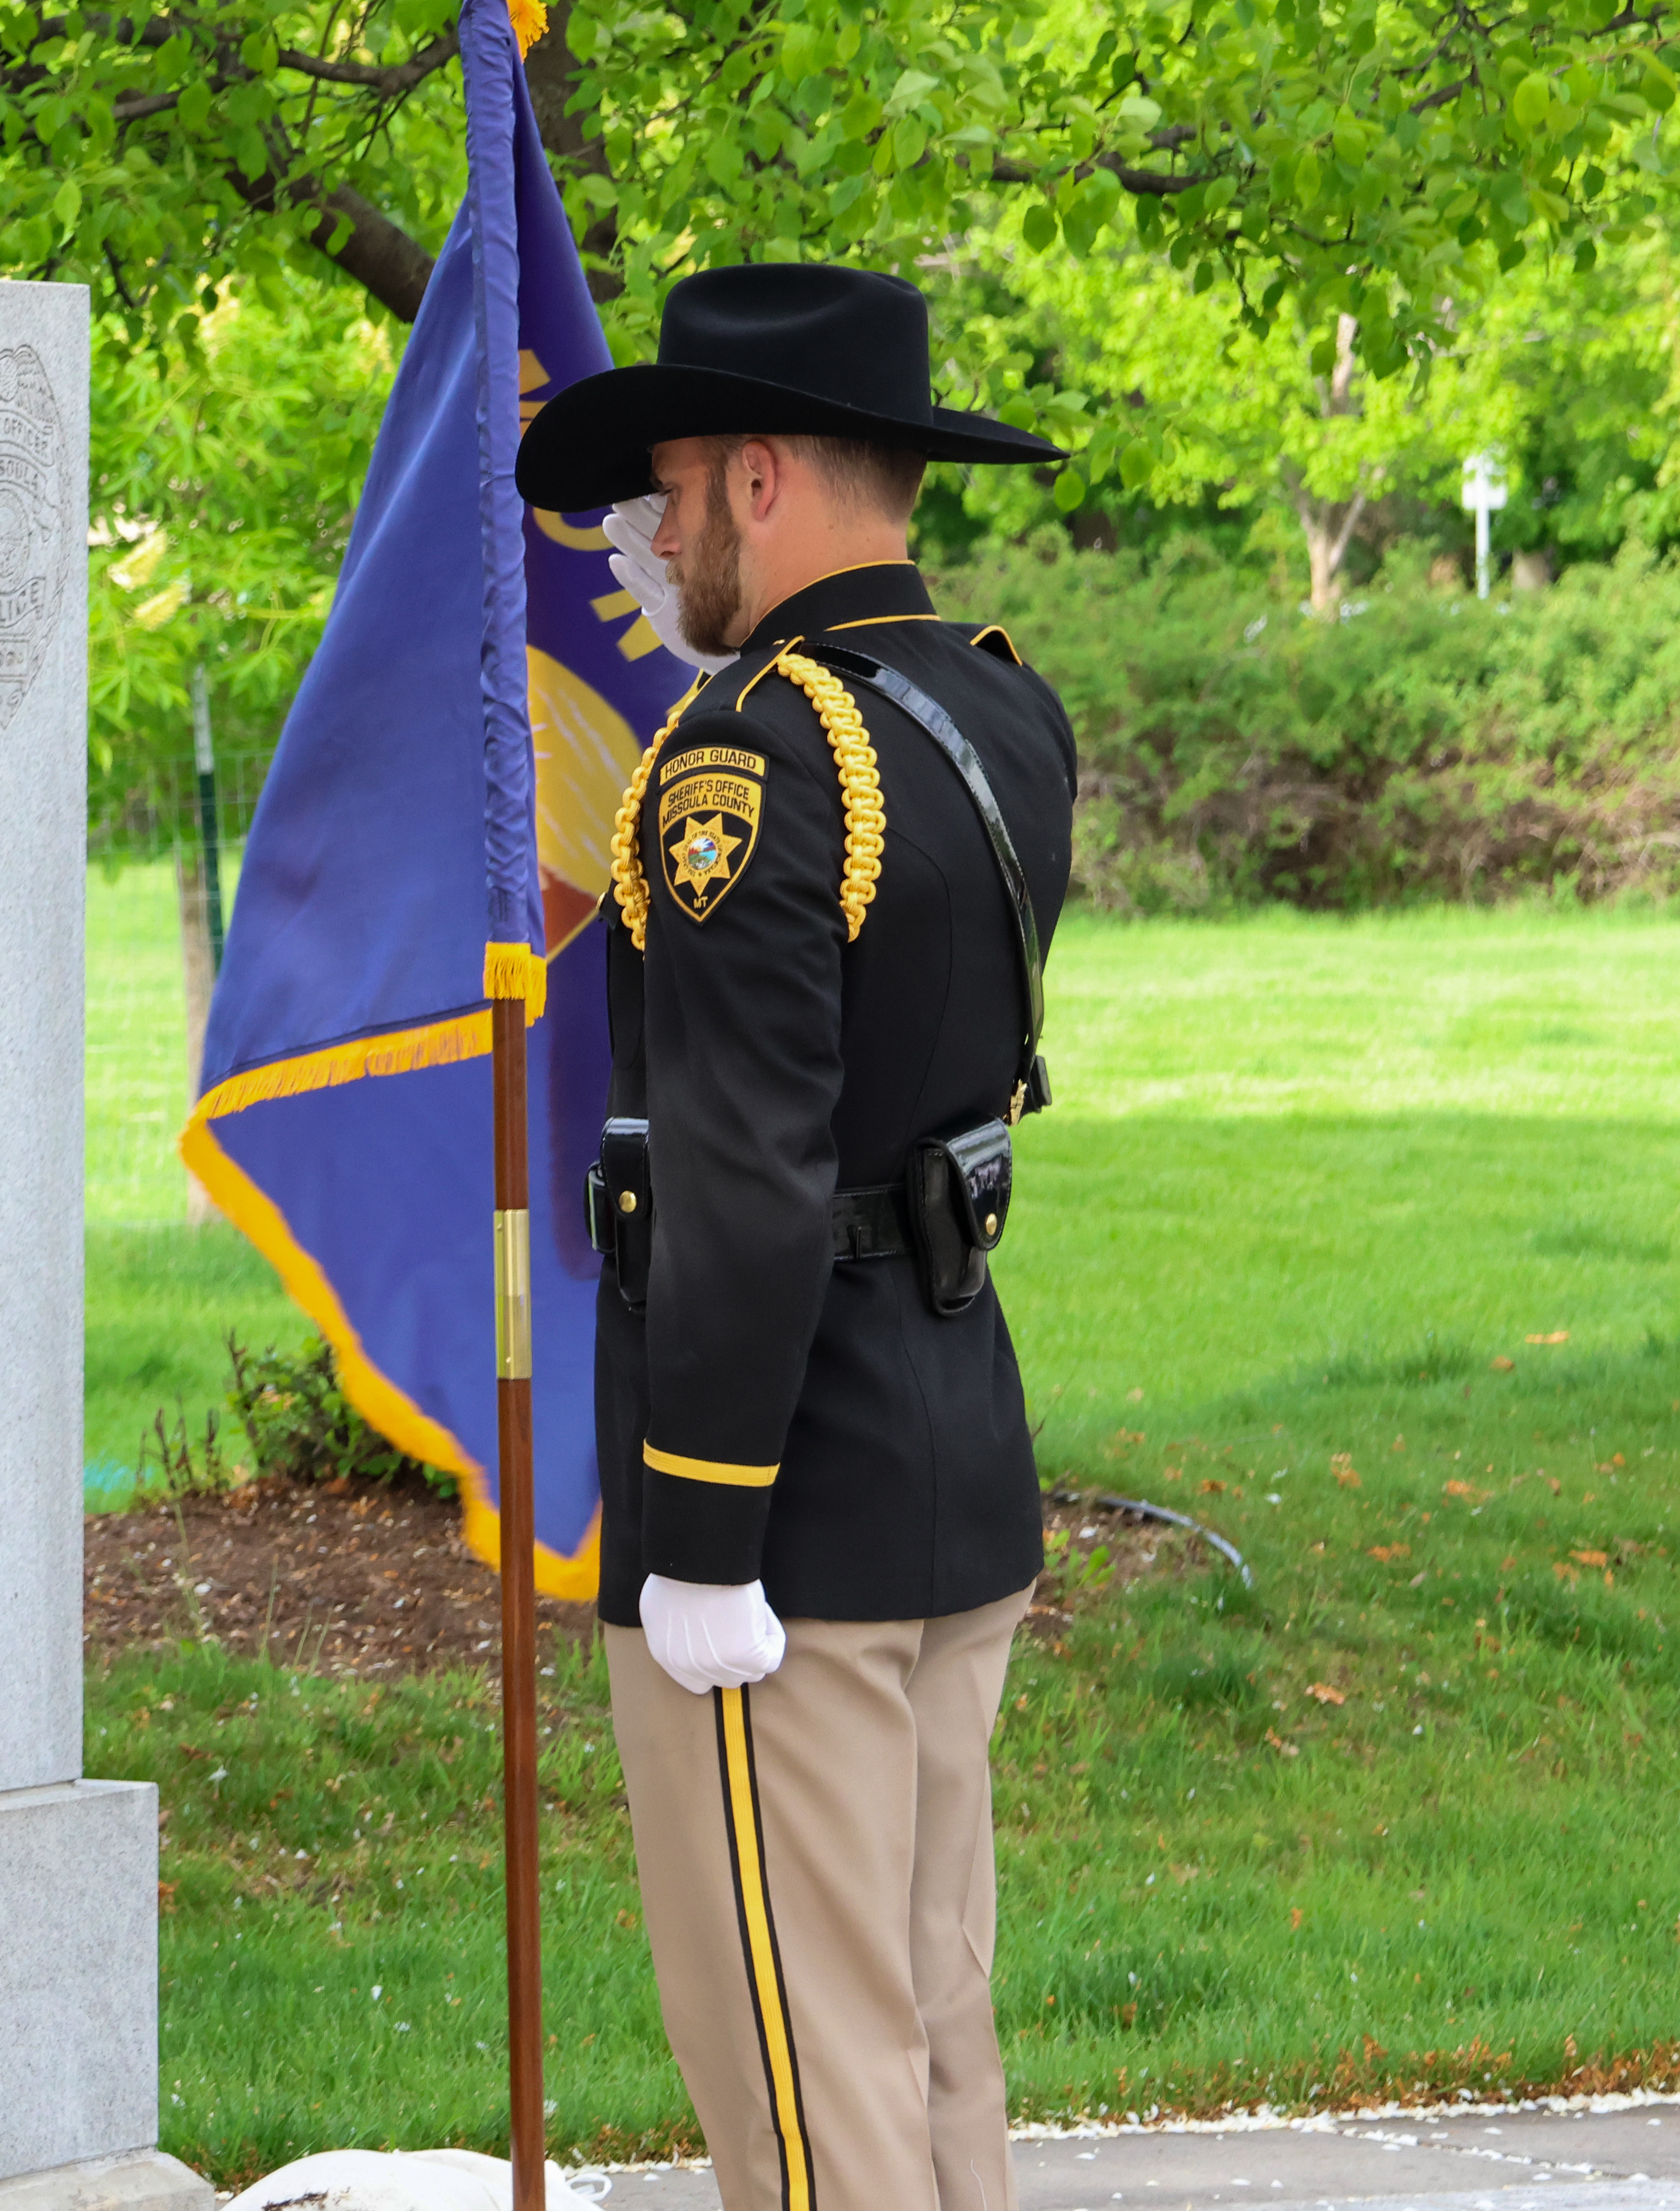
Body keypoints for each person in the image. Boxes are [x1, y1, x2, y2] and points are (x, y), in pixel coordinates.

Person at [514, 264, 1079, 2211]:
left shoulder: (748, 755)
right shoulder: (997, 709)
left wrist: (700, 1542)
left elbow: (739, 1173)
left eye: (666, 491)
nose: (649, 540)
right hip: (943, 1445)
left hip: (783, 1525)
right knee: (923, 2038)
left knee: (806, 2086)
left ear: (760, 480)